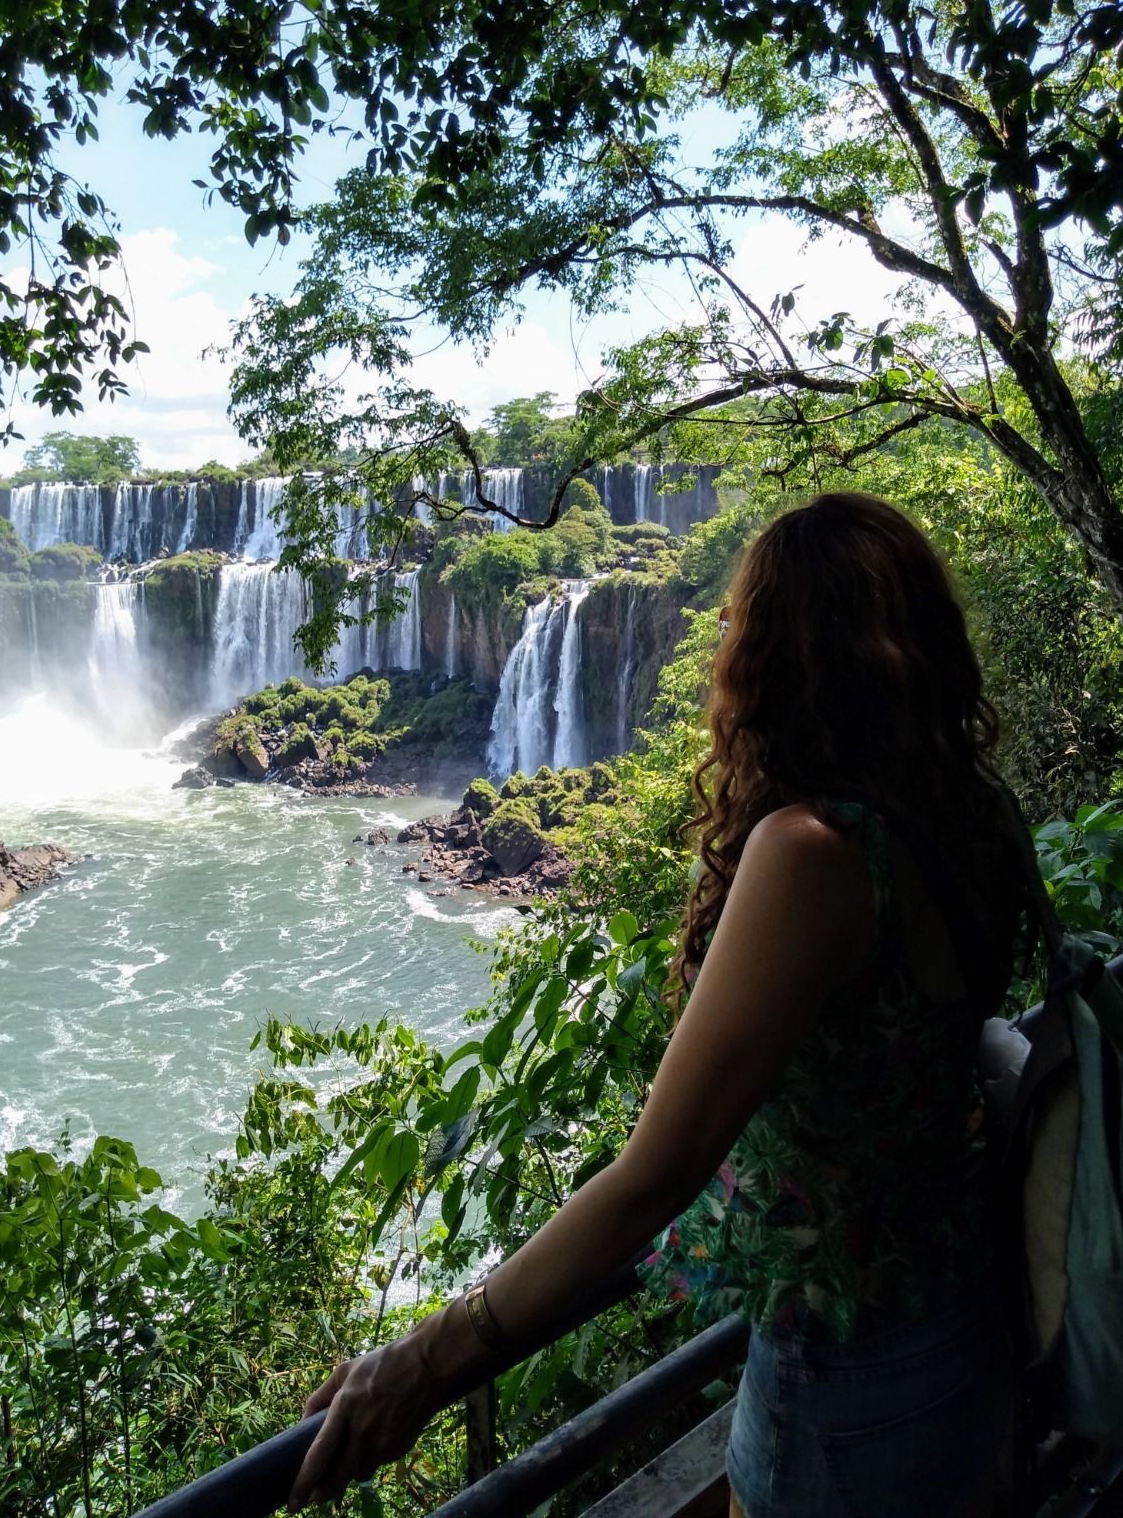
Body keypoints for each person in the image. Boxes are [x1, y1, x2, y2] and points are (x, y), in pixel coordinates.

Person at [288, 492, 1024, 1517]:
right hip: (959, 1328)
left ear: (779, 656)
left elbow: (656, 1174)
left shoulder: (813, 855)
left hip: (845, 1385)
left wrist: (428, 1359)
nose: (721, 644)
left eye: (736, 623)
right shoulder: (968, 819)